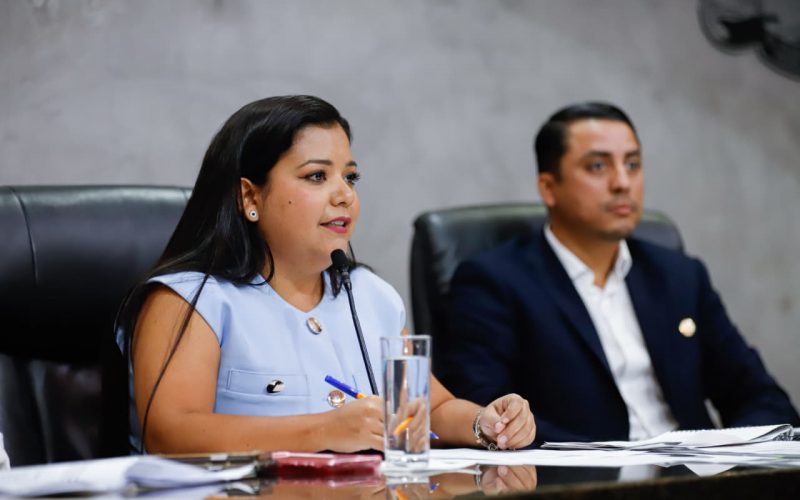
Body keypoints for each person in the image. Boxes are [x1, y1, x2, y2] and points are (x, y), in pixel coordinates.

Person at [116, 95, 535, 454]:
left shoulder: (371, 295)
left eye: (350, 177)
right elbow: (170, 434)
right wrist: (324, 431)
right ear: (250, 197)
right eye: (317, 176)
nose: (344, 194)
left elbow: (432, 410)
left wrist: (486, 422)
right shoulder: (190, 300)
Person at [441, 102, 800, 444]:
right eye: (598, 166)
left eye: (632, 164)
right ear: (549, 188)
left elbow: (761, 396)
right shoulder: (494, 283)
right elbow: (487, 414)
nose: (622, 182)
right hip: (583, 478)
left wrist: (733, 457)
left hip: (696, 474)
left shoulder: (679, 276)